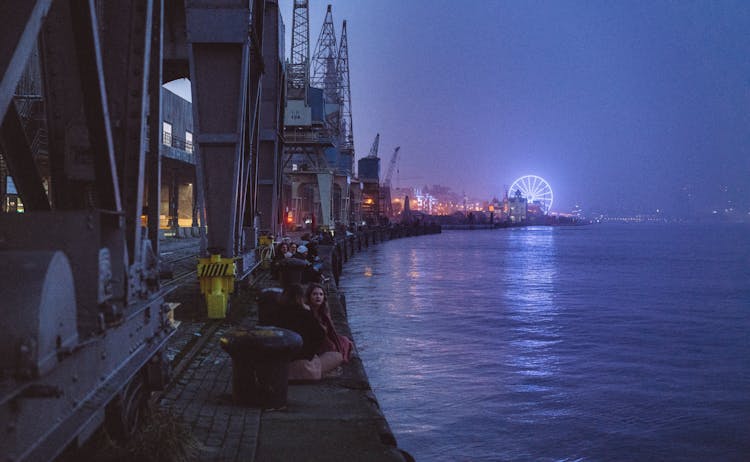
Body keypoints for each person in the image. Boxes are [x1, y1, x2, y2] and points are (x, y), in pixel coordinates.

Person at [271, 284, 325, 380]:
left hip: (283, 360)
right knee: (336, 356)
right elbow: (320, 335)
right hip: (303, 359)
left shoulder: (276, 313)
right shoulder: (305, 314)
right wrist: (310, 354)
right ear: (301, 298)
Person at [305, 283, 354, 371]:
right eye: (315, 294)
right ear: (309, 296)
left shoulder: (324, 312)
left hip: (325, 337)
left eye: (321, 294)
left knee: (346, 341)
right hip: (314, 341)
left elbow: (331, 330)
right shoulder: (307, 312)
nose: (318, 297)